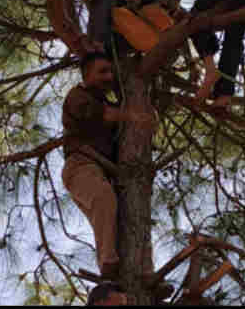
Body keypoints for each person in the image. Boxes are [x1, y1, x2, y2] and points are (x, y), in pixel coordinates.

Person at [61, 53, 173, 300]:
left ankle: (146, 273)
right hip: (81, 165)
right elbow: (103, 115)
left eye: (111, 72)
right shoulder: (77, 96)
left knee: (131, 218)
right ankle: (108, 265)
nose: (109, 77)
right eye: (102, 72)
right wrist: (135, 116)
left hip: (105, 172)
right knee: (103, 198)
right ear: (86, 74)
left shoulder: (107, 101)